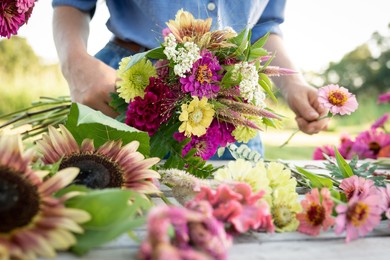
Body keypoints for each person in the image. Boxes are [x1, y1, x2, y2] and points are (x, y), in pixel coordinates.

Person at [52, 0, 329, 159]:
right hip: (130, 84)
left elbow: (263, 27)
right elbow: (72, 3)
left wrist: (294, 83)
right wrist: (75, 65)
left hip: (229, 106)